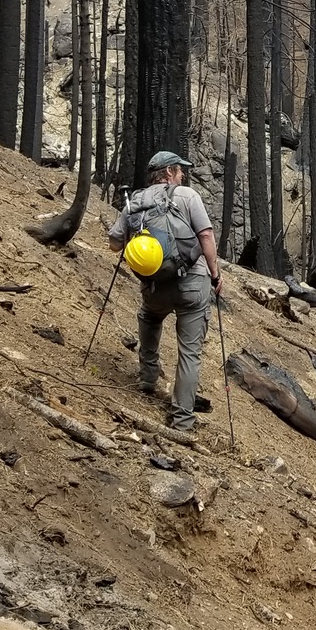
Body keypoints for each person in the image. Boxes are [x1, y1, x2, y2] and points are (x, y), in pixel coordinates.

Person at [108, 150, 221, 431]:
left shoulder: (136, 202)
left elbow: (114, 243)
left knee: (149, 317)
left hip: (155, 286)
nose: (183, 175)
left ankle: (147, 378)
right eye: (180, 170)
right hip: (192, 285)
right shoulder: (187, 196)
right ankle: (182, 418)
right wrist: (216, 274)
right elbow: (205, 235)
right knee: (190, 352)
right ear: (169, 172)